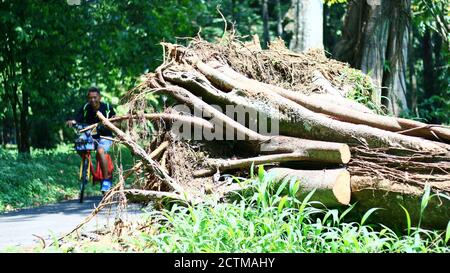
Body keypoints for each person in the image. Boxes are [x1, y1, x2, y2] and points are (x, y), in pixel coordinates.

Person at [66, 86, 116, 193]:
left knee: (100, 151)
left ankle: (106, 179)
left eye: (95, 97)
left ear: (100, 97)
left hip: (105, 136)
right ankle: (86, 164)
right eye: (90, 98)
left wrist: (108, 124)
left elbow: (117, 121)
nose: (92, 100)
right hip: (89, 136)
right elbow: (76, 120)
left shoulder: (107, 107)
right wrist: (71, 122)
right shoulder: (85, 108)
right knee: (79, 143)